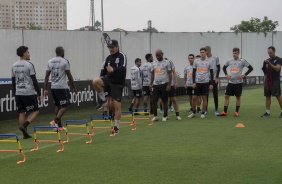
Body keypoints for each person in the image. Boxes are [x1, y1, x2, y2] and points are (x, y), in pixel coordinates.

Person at [92, 39, 127, 135]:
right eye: (109, 47)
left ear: (117, 46)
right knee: (95, 81)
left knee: (115, 106)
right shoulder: (108, 58)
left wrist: (113, 70)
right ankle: (102, 99)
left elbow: (123, 68)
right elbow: (103, 72)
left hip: (118, 83)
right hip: (109, 80)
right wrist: (102, 77)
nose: (110, 49)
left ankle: (116, 127)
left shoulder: (121, 56)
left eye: (112, 47)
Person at [44, 46, 77, 131]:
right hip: (62, 87)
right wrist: (74, 87)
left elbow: (47, 76)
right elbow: (69, 76)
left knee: (57, 105)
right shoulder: (65, 61)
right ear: (62, 52)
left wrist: (45, 89)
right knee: (64, 106)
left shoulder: (50, 61)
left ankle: (59, 126)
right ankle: (55, 121)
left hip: (53, 87)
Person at [12, 46, 41, 139]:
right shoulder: (29, 65)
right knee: (36, 110)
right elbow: (34, 80)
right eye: (28, 52)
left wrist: (14, 94)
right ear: (24, 53)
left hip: (18, 92)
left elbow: (13, 81)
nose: (29, 54)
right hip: (28, 91)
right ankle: (24, 126)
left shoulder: (14, 65)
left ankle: (25, 134)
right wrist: (39, 93)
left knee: (21, 112)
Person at [219, 48, 253, 117]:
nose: (234, 54)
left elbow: (251, 68)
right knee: (226, 96)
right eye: (233, 53)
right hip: (231, 82)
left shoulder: (242, 61)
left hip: (238, 83)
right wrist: (226, 75)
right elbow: (223, 68)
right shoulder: (230, 61)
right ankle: (225, 112)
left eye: (236, 53)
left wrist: (244, 75)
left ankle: (236, 112)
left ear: (238, 53)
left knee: (237, 97)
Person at [188, 48, 213, 118]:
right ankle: (193, 112)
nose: (202, 54)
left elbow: (211, 73)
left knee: (204, 98)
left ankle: (202, 113)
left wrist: (211, 83)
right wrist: (193, 82)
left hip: (205, 82)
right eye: (201, 52)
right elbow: (193, 72)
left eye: (203, 52)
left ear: (205, 53)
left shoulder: (209, 62)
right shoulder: (196, 61)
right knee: (194, 97)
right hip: (197, 82)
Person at [150, 50, 172, 122]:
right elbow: (153, 74)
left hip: (164, 84)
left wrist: (169, 84)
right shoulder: (154, 63)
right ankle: (155, 116)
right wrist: (151, 83)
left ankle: (165, 115)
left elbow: (169, 74)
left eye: (159, 55)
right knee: (153, 100)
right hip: (156, 85)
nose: (158, 57)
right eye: (156, 56)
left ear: (162, 54)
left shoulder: (167, 62)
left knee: (165, 101)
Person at [261, 46, 282, 118]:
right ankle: (267, 113)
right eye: (268, 53)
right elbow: (265, 71)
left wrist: (269, 64)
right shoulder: (267, 60)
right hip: (268, 81)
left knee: (278, 96)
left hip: (275, 81)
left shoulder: (279, 59)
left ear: (274, 51)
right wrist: (264, 66)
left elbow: (277, 69)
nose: (269, 54)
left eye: (271, 53)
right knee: (267, 96)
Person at [205, 46, 220, 115]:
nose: (205, 52)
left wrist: (217, 77)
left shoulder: (215, 57)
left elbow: (218, 67)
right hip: (206, 79)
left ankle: (216, 109)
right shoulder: (204, 59)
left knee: (215, 94)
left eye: (206, 51)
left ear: (209, 50)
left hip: (213, 79)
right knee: (206, 94)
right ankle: (205, 109)